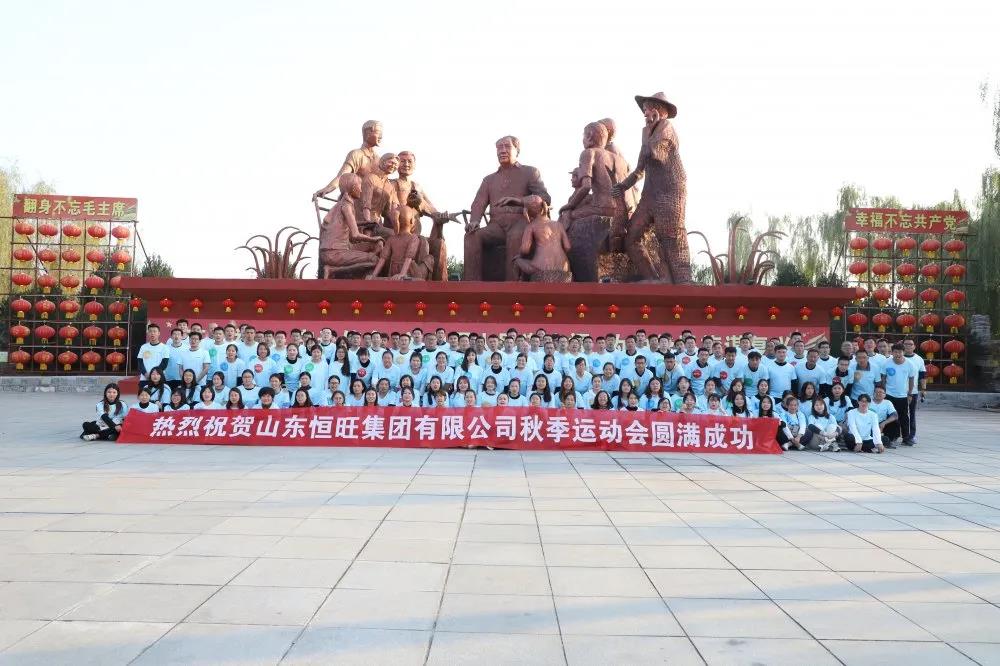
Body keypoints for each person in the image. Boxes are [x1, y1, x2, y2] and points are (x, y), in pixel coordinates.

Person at [464, 135, 551, 281]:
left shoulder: (530, 172)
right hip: (496, 226)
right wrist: (474, 220)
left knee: (515, 236)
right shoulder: (489, 180)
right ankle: (472, 285)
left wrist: (520, 201)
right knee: (471, 236)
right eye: (499, 147)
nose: (502, 150)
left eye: (507, 146)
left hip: (521, 221)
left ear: (517, 150)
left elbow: (545, 198)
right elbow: (478, 203)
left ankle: (512, 285)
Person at [883, 343, 917, 445]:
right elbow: (883, 378)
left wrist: (910, 394)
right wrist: (883, 392)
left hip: (902, 395)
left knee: (904, 417)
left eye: (900, 352)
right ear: (892, 352)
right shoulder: (887, 363)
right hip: (889, 394)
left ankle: (906, 437)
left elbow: (911, 380)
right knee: (890, 415)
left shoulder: (910, 364)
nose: (898, 354)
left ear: (904, 352)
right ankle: (890, 436)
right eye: (895, 352)